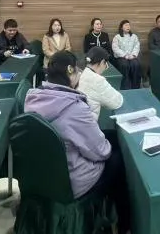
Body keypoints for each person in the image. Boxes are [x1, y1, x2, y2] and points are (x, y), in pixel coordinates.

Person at [24, 51, 130, 233]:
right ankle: (123, 223)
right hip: (72, 181)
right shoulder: (75, 107)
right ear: (70, 71)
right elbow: (101, 151)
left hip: (44, 175)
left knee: (110, 137)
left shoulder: (33, 99)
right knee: (118, 159)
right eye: (77, 70)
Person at [77, 46, 123, 119]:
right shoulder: (97, 80)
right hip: (87, 122)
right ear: (102, 62)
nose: (105, 68)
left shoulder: (80, 73)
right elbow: (117, 102)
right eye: (106, 65)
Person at [112, 20, 142, 89]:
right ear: (121, 27)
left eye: (129, 25)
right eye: (126, 25)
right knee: (124, 65)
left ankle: (136, 87)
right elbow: (115, 48)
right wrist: (124, 55)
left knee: (136, 64)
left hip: (132, 57)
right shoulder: (117, 37)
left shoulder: (134, 36)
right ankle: (125, 87)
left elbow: (137, 46)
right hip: (121, 57)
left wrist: (133, 55)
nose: (128, 26)